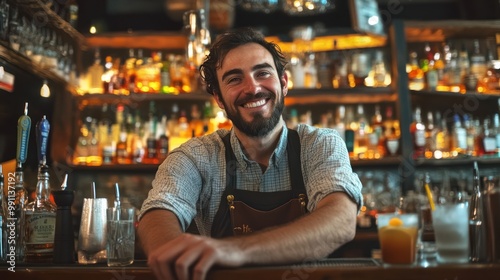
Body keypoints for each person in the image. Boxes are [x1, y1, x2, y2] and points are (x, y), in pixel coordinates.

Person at [137, 27, 363, 280]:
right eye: (234, 79)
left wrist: (234, 251)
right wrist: (169, 251)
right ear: (219, 99)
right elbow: (159, 210)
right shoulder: (196, 156)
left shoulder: (319, 145)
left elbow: (341, 220)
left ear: (284, 83)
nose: (253, 88)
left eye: (263, 73)